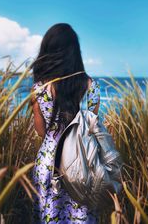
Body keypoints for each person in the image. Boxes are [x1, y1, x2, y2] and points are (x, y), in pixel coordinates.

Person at [32, 23, 100, 223]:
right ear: (75, 52)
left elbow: (40, 131)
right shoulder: (91, 86)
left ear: (48, 51)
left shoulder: (39, 89)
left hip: (49, 163)